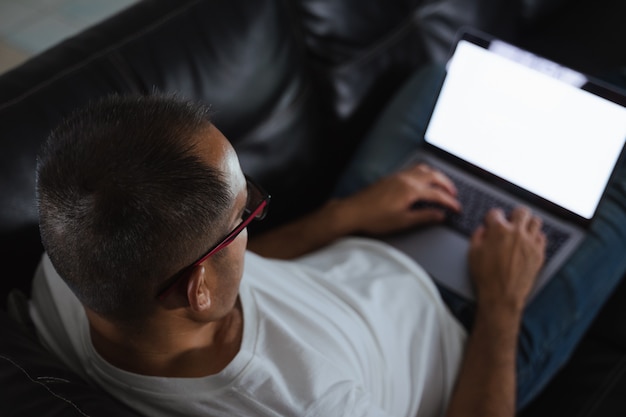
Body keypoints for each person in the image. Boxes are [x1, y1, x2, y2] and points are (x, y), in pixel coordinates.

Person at [29, 65, 626, 417]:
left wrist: (347, 214)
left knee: (445, 74)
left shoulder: (67, 271)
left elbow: (240, 274)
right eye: (246, 212)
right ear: (199, 287)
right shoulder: (304, 405)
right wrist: (502, 299)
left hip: (361, 239)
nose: (255, 218)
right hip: (474, 330)